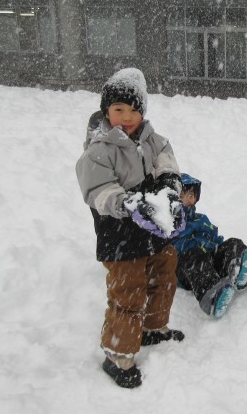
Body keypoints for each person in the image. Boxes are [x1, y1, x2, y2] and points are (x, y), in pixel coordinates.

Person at [76, 67, 186, 389]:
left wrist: (169, 185)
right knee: (129, 292)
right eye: (119, 109)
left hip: (152, 226)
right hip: (119, 234)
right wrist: (126, 203)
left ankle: (152, 328)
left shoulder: (151, 138)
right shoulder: (100, 149)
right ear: (106, 110)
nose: (126, 117)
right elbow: (97, 190)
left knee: (164, 274)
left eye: (134, 110)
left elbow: (166, 159)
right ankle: (118, 355)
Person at [173, 174, 247, 318]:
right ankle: (212, 298)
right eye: (182, 196)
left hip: (208, 258)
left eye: (192, 195)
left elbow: (214, 237)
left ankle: (238, 267)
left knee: (232, 242)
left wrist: (222, 251)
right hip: (187, 268)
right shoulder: (170, 223)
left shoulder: (201, 219)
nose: (189, 199)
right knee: (195, 258)